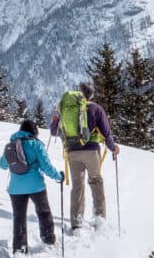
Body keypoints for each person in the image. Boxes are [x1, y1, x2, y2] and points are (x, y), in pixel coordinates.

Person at [50, 82, 120, 230]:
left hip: (72, 153)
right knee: (96, 182)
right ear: (92, 94)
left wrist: (55, 120)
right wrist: (113, 148)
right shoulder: (96, 109)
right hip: (91, 152)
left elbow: (54, 132)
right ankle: (100, 219)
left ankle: (76, 223)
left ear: (79, 93)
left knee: (77, 187)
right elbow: (107, 134)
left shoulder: (68, 108)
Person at [0, 119, 64, 255]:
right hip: (36, 186)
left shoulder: (11, 145)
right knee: (43, 212)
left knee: (19, 217)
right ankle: (48, 240)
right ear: (34, 132)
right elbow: (46, 167)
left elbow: (2, 164)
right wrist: (59, 176)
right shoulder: (36, 145)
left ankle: (19, 248)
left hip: (15, 188)